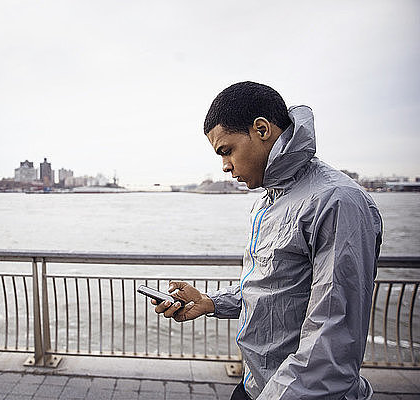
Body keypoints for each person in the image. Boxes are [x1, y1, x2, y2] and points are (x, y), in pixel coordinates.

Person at [153, 82, 383, 399]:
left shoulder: (337, 201)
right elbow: (273, 285)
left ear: (262, 129)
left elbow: (332, 336)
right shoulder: (268, 201)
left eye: (226, 150)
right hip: (257, 384)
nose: (224, 165)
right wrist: (210, 302)